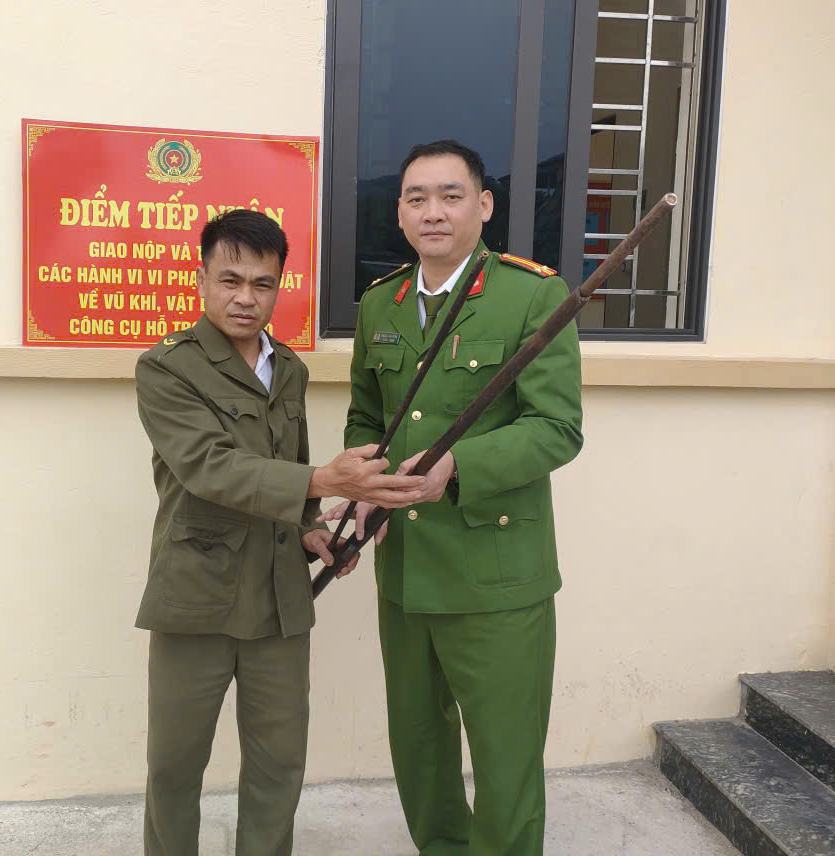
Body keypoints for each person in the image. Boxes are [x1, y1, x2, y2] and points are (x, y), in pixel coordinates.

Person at [133, 209, 425, 856]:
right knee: (174, 767)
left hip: (279, 600)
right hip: (198, 595)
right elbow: (209, 468)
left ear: (278, 287)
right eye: (230, 280)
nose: (246, 297)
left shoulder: (288, 367)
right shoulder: (166, 368)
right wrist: (325, 480)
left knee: (278, 766)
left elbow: (290, 465)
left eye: (262, 283)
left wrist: (311, 528)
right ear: (202, 279)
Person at [327, 140, 583, 855]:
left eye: (450, 195)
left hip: (495, 570)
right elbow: (367, 416)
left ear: (484, 205)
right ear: (400, 213)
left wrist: (457, 465)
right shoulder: (381, 303)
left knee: (505, 753)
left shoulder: (532, 295)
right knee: (419, 746)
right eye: (417, 198)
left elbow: (557, 429)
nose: (432, 212)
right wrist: (364, 486)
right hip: (406, 566)